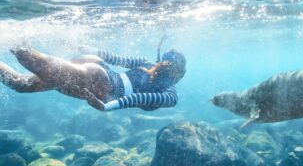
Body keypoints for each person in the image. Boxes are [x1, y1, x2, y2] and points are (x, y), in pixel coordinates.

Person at [0, 44, 186, 112]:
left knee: (20, 84)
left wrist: (89, 50)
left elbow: (114, 59)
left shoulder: (148, 63)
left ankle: (15, 43)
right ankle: (14, 41)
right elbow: (138, 98)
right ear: (179, 74)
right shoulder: (170, 94)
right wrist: (107, 106)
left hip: (98, 67)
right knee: (33, 61)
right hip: (101, 83)